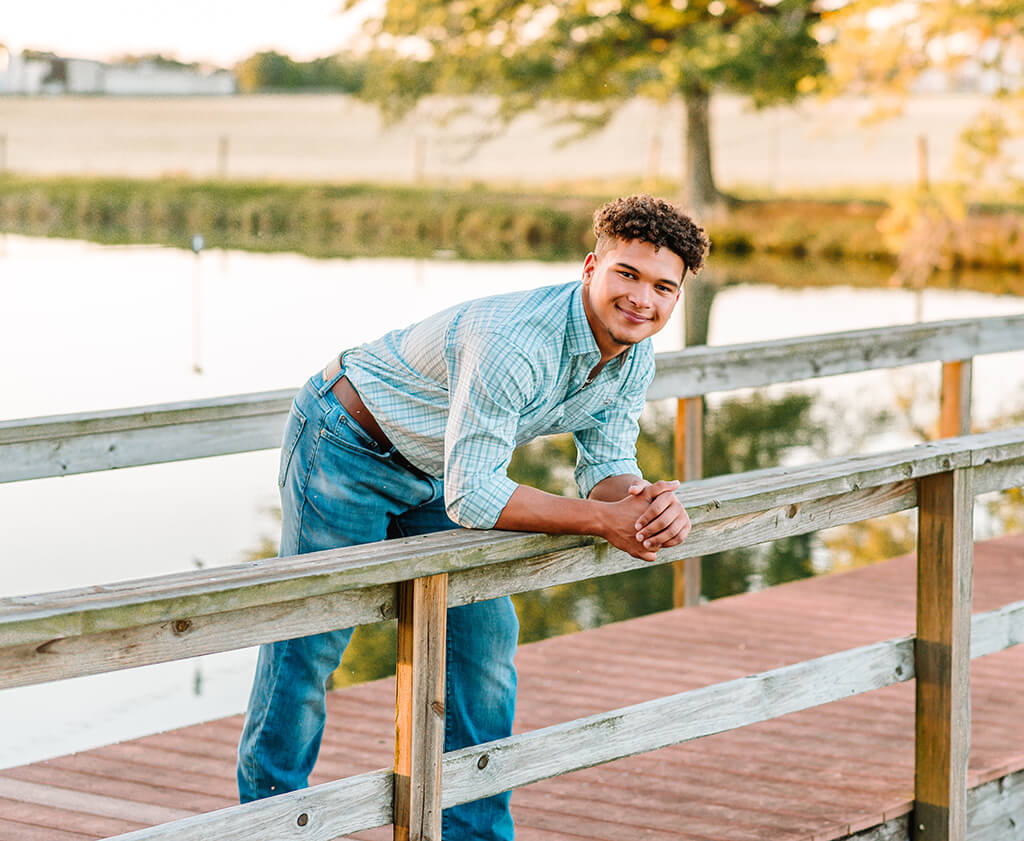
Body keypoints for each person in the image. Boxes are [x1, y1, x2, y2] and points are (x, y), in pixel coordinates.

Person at [237, 194, 710, 839]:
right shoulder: (516, 345)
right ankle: (269, 825)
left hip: (444, 467)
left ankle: (475, 834)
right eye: (626, 275)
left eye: (663, 287)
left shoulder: (632, 353)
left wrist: (644, 503)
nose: (642, 299)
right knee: (314, 641)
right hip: (348, 443)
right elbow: (476, 500)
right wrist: (602, 523)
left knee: (485, 638)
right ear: (591, 267)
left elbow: (605, 461)